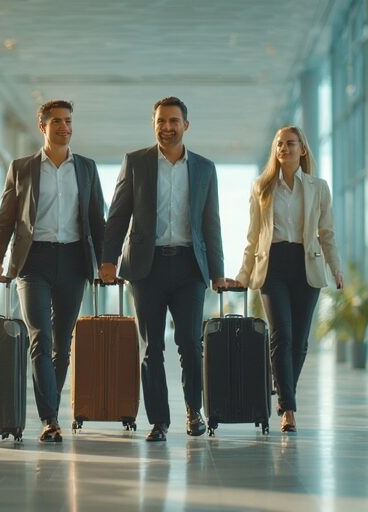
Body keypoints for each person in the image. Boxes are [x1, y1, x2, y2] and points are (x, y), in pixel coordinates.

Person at [99, 96, 226, 442]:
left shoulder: (204, 168)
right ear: (153, 124)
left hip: (189, 266)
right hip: (145, 268)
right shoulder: (135, 162)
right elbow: (118, 215)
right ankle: (159, 421)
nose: (167, 127)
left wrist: (217, 272)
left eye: (173, 121)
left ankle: (192, 410)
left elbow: (210, 222)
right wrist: (108, 260)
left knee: (189, 342)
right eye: (161, 121)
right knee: (150, 346)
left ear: (186, 124)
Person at [0, 100, 105, 443]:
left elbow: (98, 220)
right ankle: (50, 418)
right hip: (32, 262)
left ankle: (49, 407)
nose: (64, 127)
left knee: (62, 343)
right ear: (43, 127)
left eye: (68, 121)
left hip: (73, 261)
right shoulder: (22, 168)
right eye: (56, 122)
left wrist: (107, 262)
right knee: (41, 336)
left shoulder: (86, 168)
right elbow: (4, 221)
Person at [230, 125, 342, 433]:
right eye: (279, 144)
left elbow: (326, 232)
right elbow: (253, 236)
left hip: (306, 264)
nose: (284, 148)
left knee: (300, 342)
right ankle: (287, 408)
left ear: (302, 149)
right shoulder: (262, 187)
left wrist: (336, 268)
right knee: (282, 335)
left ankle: (279, 384)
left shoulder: (318, 187)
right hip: (273, 266)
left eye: (290, 144)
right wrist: (243, 274)